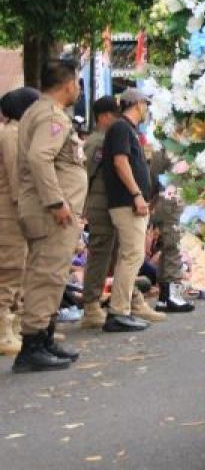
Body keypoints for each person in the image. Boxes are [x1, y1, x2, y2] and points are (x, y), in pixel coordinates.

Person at [13, 61, 87, 372]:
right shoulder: (51, 115)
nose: (79, 89)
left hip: (50, 212)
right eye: (78, 83)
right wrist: (56, 202)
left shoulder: (39, 111)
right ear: (69, 84)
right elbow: (40, 157)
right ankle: (32, 344)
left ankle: (44, 337)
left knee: (53, 274)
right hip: (50, 213)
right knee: (46, 275)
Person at [99, 89, 153, 333]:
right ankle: (119, 311)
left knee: (131, 255)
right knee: (132, 255)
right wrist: (136, 194)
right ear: (138, 104)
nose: (148, 110)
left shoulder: (128, 129)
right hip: (126, 202)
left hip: (130, 202)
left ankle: (122, 308)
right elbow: (120, 163)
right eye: (146, 104)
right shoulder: (121, 128)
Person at [0, 88, 41, 356]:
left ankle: (13, 327)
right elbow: (17, 179)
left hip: (14, 208)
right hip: (10, 210)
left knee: (21, 267)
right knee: (10, 268)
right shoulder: (12, 134)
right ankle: (3, 330)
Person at [149, 146, 193, 313]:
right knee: (174, 247)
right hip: (171, 200)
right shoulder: (168, 148)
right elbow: (154, 175)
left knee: (168, 248)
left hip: (175, 199)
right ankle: (172, 295)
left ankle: (164, 297)